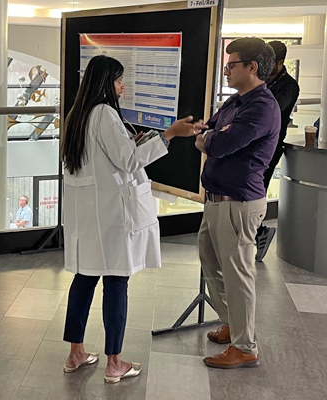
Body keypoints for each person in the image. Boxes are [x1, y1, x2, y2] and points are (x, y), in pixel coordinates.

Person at [61, 55, 203, 383]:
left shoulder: (77, 114)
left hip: (87, 216)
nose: (122, 86)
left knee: (84, 280)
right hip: (110, 216)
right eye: (119, 80)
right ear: (105, 82)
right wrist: (167, 135)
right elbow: (127, 162)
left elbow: (99, 159)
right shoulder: (105, 114)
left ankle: (76, 353)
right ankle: (114, 363)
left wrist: (131, 142)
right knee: (116, 282)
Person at [195, 37, 280, 368]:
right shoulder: (235, 102)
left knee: (238, 273)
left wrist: (213, 139)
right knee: (210, 262)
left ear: (252, 67)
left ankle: (245, 345)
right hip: (216, 199)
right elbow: (211, 131)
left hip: (239, 202)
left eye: (231, 65)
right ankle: (232, 324)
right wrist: (214, 136)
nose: (226, 71)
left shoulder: (262, 107)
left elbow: (217, 143)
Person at [255, 40, 300, 262]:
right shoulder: (261, 79)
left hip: (269, 146)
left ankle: (259, 232)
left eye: (270, 61)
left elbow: (269, 110)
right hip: (252, 142)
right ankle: (254, 232)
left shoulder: (289, 86)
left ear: (280, 62)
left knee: (258, 188)